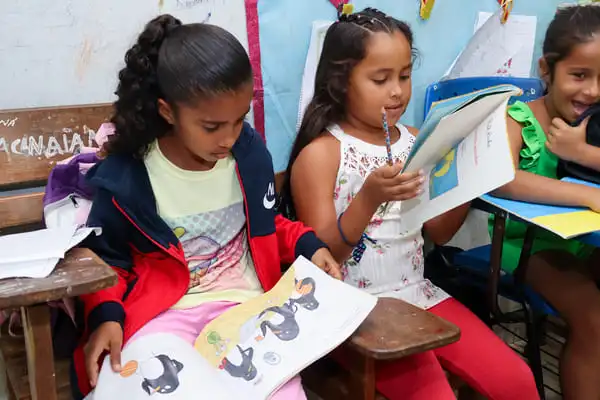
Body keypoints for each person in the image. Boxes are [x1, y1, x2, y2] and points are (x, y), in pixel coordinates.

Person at [70, 14, 341, 400]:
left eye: (239, 120)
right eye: (212, 127)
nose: (230, 138)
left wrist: (309, 246)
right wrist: (106, 316)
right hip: (165, 319)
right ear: (168, 112)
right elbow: (108, 261)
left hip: (248, 313)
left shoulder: (248, 156)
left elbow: (268, 223)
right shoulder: (128, 177)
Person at [279, 7, 539, 400]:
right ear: (339, 82)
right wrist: (368, 198)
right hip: (351, 308)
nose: (397, 91)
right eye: (380, 79)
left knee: (516, 381)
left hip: (418, 293)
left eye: (404, 75)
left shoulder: (417, 140)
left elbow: (439, 232)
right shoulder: (322, 154)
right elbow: (324, 258)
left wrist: (466, 177)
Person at [491, 5, 600, 399]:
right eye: (579, 75)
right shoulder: (518, 119)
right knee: (594, 320)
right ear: (546, 70)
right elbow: (502, 178)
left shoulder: (594, 126)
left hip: (584, 244)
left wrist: (585, 154)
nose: (593, 91)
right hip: (525, 248)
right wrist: (588, 194)